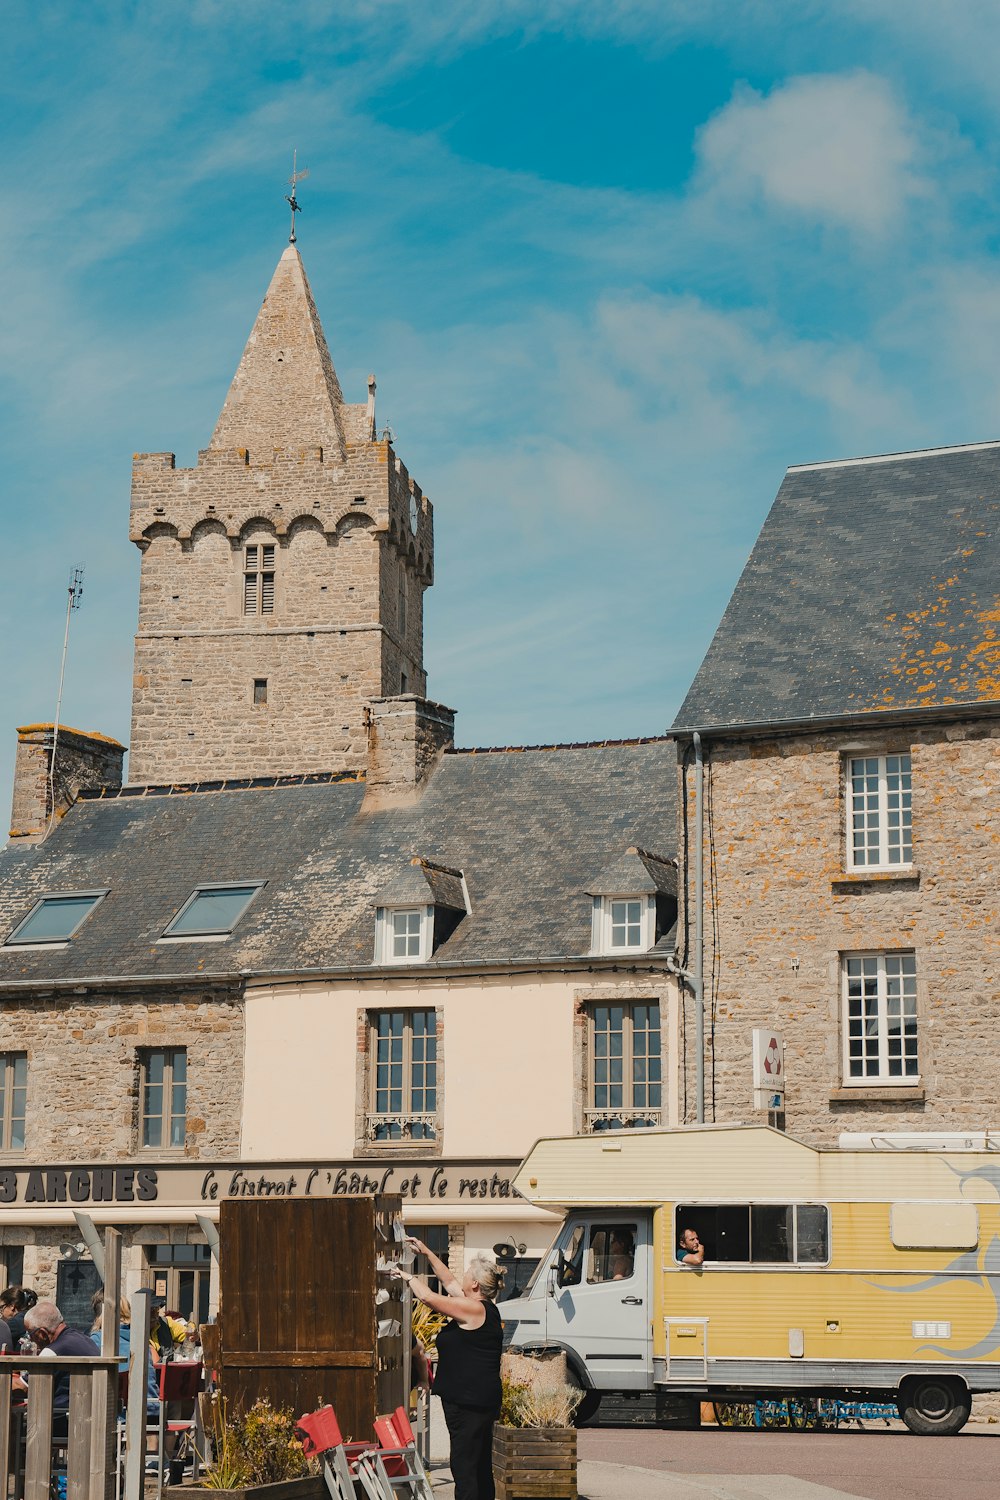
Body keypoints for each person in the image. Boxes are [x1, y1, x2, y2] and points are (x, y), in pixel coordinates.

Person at [392, 1237, 503, 1500]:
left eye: (466, 1274)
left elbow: (429, 1298)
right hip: (476, 1400)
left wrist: (405, 1276)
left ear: (475, 1284)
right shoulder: (481, 1307)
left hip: (469, 1403)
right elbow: (448, 1281)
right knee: (478, 1466)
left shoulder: (473, 1309)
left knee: (465, 1468)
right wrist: (427, 1252)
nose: (461, 1277)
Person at [23, 1300, 99, 1425]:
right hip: (87, 1417)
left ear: (42, 1333)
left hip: (61, 1420)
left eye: (30, 1334)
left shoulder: (53, 1351)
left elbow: (25, 1387)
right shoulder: (85, 1339)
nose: (30, 1339)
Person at [90, 1291, 161, 1418]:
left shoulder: (98, 1340)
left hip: (123, 1414)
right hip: (151, 1408)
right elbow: (156, 1361)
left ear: (98, 1314)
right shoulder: (141, 1338)